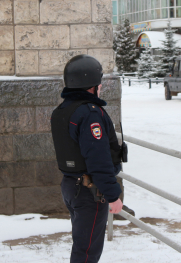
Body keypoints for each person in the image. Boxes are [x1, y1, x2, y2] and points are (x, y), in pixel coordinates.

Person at [51, 55, 125, 263]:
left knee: (83, 247)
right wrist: (112, 195)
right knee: (86, 253)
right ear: (90, 85)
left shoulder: (64, 110)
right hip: (89, 191)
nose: (100, 86)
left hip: (71, 186)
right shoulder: (90, 113)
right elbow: (98, 158)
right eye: (98, 82)